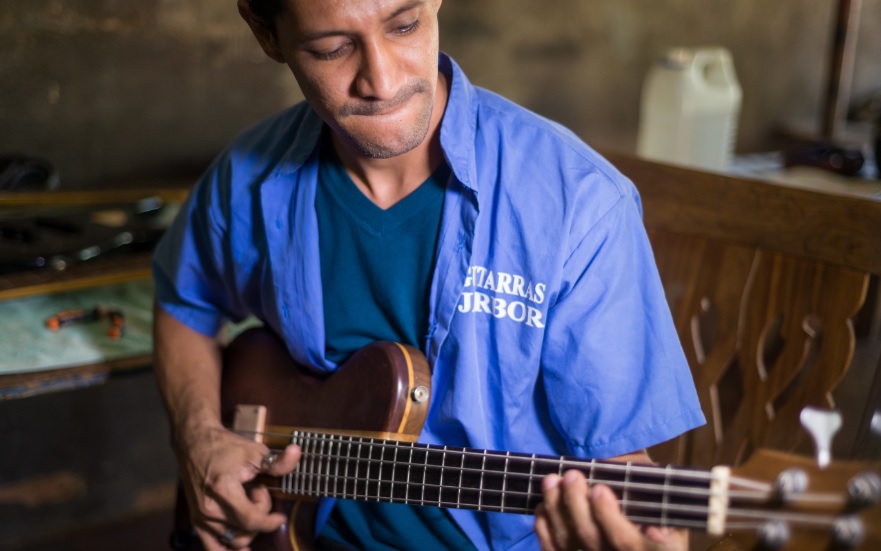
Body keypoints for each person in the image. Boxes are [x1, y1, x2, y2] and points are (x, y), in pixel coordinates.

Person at [151, 0, 706, 549]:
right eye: (332, 48)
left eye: (405, 25)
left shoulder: (580, 203)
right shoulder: (247, 171)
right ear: (265, 33)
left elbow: (623, 465)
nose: (382, 79)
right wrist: (198, 437)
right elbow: (184, 304)